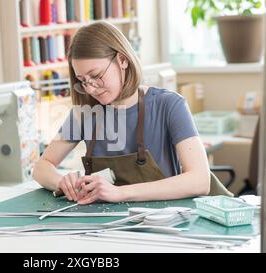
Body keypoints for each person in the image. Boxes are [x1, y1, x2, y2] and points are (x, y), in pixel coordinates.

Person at [33, 22, 232, 205]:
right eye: (83, 80)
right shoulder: (85, 113)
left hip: (164, 225)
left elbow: (200, 180)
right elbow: (42, 167)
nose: (91, 88)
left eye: (96, 76)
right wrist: (62, 182)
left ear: (122, 60)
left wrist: (119, 193)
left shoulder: (170, 105)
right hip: (103, 227)